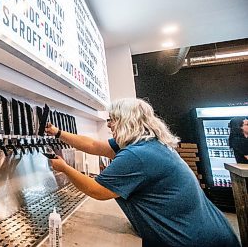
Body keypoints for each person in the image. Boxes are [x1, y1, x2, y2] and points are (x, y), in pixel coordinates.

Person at [45, 98, 240, 247]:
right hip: (203, 230)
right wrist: (57, 132)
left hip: (191, 239)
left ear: (126, 121)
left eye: (112, 120)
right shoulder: (145, 144)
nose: (109, 125)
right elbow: (94, 145)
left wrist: (64, 168)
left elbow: (98, 191)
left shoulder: (138, 155)